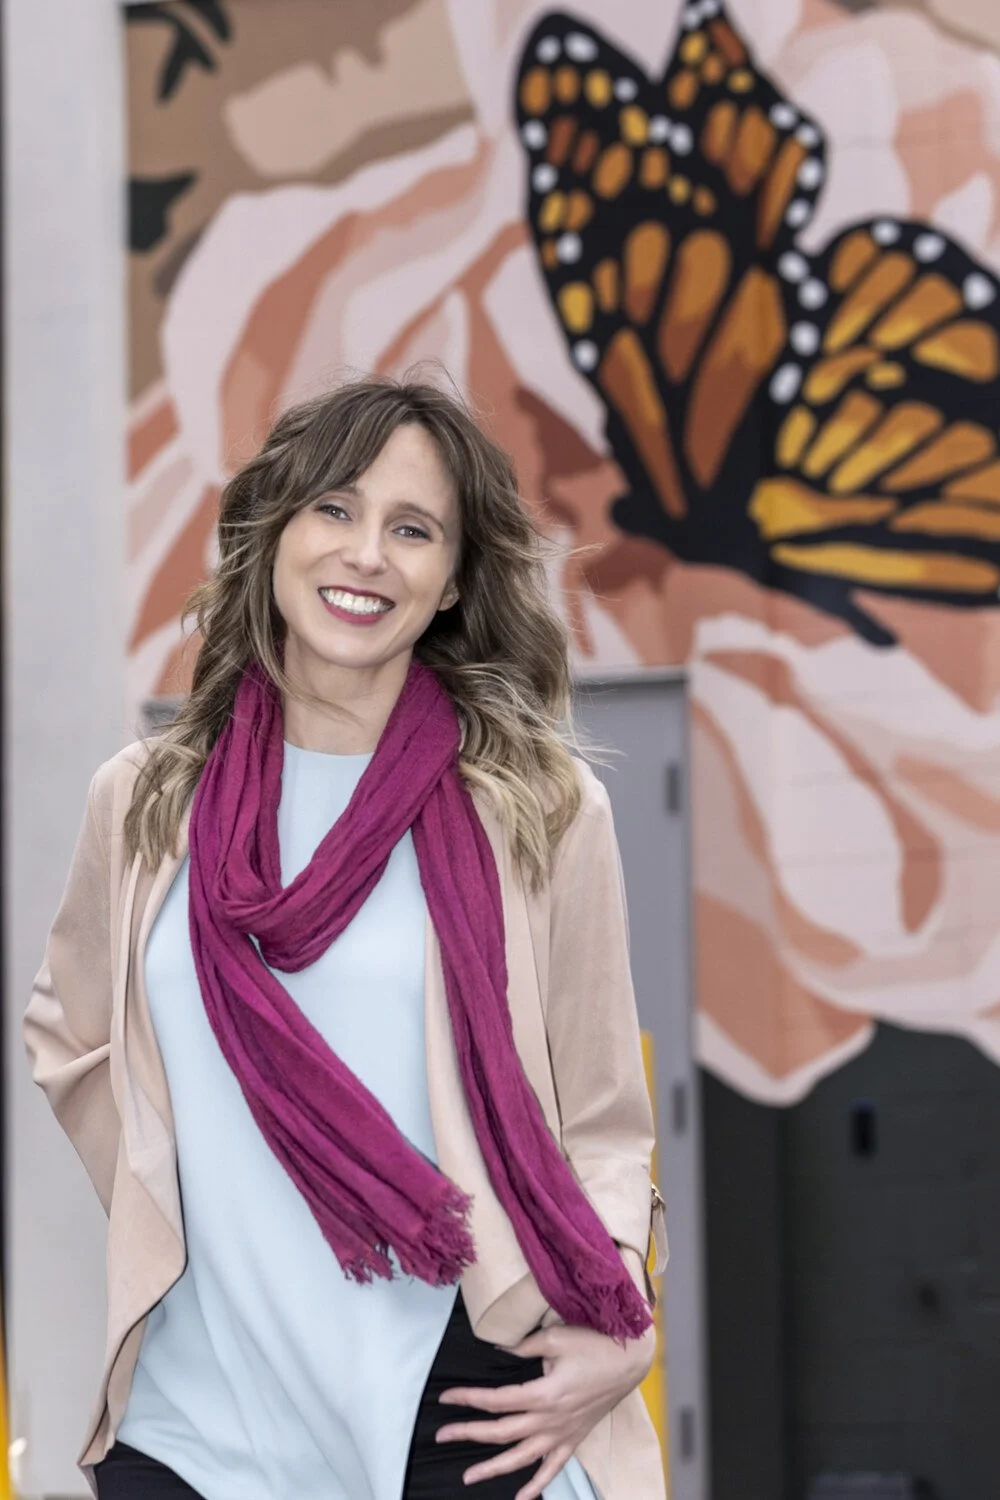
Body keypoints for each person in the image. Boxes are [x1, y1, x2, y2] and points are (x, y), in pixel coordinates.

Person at [25, 376, 668, 1500]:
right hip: (196, 1417)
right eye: (333, 508)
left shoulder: (538, 808)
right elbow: (70, 1029)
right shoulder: (146, 803)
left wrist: (624, 1314)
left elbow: (605, 1118)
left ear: (453, 577)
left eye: (411, 529)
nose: (365, 554)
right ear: (273, 534)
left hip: (463, 1399)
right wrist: (169, 1207)